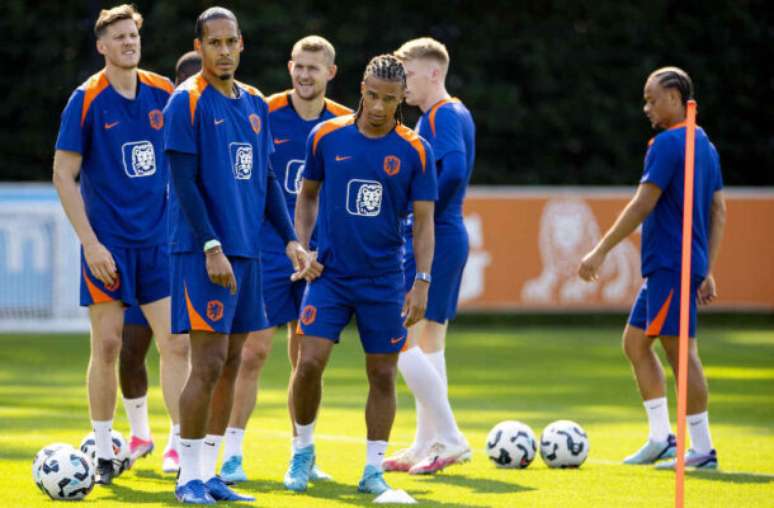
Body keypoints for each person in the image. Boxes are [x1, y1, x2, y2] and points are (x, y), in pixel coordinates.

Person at [163, 7, 317, 504]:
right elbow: (183, 183)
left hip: (250, 253)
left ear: (242, 45)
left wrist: (291, 237)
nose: (224, 51)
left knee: (230, 363)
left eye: (231, 42)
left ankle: (209, 474)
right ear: (200, 46)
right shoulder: (186, 103)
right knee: (205, 364)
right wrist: (211, 246)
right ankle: (187, 476)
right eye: (214, 43)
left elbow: (267, 180)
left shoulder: (253, 102)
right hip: (205, 252)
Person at [287, 54, 438, 495]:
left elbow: (425, 223)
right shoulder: (326, 137)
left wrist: (422, 281)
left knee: (383, 374)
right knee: (309, 363)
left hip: (383, 281)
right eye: (372, 95)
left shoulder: (414, 150)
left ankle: (373, 470)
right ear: (361, 89)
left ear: (402, 99)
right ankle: (303, 452)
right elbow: (307, 195)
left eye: (389, 99)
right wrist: (303, 246)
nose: (377, 106)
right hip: (329, 276)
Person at [53, 4, 188, 485]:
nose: (130, 42)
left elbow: (185, 161)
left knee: (176, 343)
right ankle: (106, 449)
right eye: (120, 37)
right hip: (107, 246)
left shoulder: (164, 92)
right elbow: (63, 175)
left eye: (134, 35)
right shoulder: (86, 99)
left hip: (158, 244)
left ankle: (184, 451)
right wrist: (90, 243)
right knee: (108, 345)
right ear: (102, 46)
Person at [578, 67, 726, 470]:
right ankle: (662, 438)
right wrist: (707, 268)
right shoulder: (705, 145)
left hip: (669, 265)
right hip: (678, 266)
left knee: (681, 356)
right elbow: (718, 211)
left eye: (652, 98)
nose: (646, 107)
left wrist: (600, 250)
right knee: (635, 342)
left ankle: (702, 449)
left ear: (676, 99)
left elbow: (643, 203)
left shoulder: (666, 144)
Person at [219, 35, 351, 485]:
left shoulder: (344, 124)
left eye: (315, 68)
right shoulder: (263, 111)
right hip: (267, 249)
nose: (305, 75)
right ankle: (232, 453)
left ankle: (303, 453)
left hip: (318, 258)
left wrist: (318, 248)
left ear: (331, 73)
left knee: (307, 359)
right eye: (299, 66)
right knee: (253, 351)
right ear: (289, 66)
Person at [384, 37, 474, 475]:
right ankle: (428, 443)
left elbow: (453, 167)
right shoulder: (447, 114)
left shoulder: (441, 115)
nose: (404, 85)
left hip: (435, 236)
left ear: (434, 73)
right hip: (445, 234)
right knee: (427, 340)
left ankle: (450, 436)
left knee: (395, 332)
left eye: (410, 75)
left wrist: (418, 204)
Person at [116, 51, 203, 476]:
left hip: (180, 255)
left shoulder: (211, 135)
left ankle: (175, 438)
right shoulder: (157, 121)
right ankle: (138, 434)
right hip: (143, 249)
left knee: (179, 347)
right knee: (130, 350)